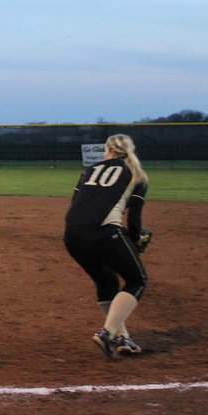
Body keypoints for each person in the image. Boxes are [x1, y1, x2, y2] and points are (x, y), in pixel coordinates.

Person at [64, 134, 149, 360]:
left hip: (72, 235)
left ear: (108, 150)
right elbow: (134, 220)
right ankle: (107, 333)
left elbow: (76, 205)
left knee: (107, 281)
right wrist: (135, 239)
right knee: (137, 280)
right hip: (103, 233)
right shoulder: (137, 174)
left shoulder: (89, 170)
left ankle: (122, 338)